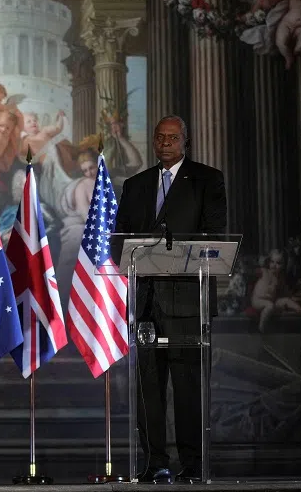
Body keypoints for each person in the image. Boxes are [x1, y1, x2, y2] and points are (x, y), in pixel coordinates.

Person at [113, 115, 227, 484]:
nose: (165, 143)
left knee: (188, 383)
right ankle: (154, 462)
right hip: (145, 300)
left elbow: (213, 234)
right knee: (148, 385)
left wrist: (169, 253)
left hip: (187, 299)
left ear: (185, 141)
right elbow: (120, 240)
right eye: (160, 137)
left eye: (172, 138)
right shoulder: (135, 185)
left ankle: (192, 463)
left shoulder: (207, 180)